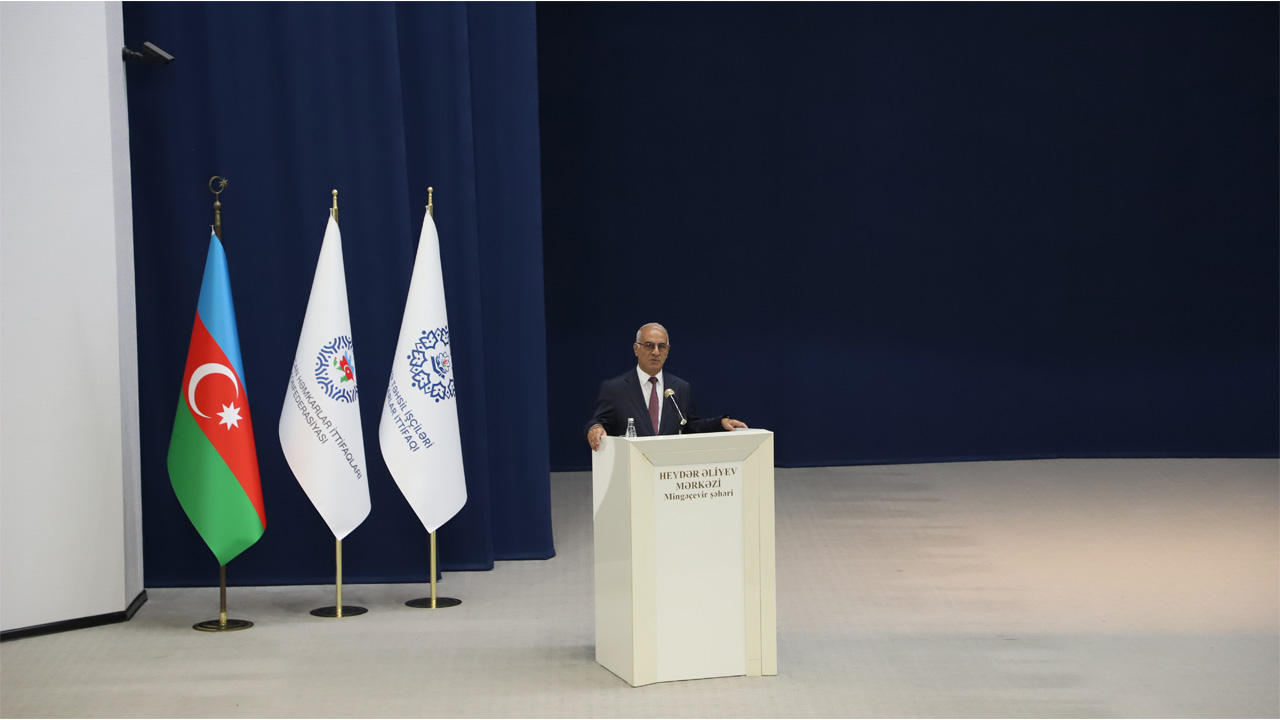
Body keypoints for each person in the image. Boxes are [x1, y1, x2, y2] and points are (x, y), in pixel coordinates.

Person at [585, 322, 747, 451]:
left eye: (661, 346)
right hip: (631, 469)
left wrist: (720, 423)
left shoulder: (681, 387)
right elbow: (598, 421)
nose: (656, 352)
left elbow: (690, 426)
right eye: (649, 345)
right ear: (636, 349)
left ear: (667, 351)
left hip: (669, 470)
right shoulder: (615, 388)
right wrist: (595, 428)